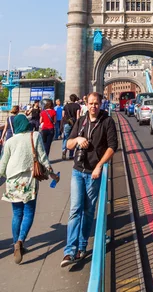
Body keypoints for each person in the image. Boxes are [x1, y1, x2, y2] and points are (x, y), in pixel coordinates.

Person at [61, 92, 118, 267]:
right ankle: (70, 250)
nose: (93, 106)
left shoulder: (107, 121)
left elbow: (112, 147)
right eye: (91, 103)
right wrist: (77, 138)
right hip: (78, 171)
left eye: (96, 103)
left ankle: (82, 246)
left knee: (87, 211)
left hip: (93, 172)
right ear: (86, 103)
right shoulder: (82, 121)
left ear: (101, 104)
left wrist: (100, 165)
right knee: (75, 209)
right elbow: (69, 143)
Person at [0, 114, 59, 264]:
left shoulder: (10, 141)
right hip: (29, 180)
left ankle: (15, 244)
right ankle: (20, 241)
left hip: (13, 181)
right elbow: (43, 158)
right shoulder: (35, 135)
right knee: (28, 212)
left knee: (17, 213)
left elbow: (2, 165)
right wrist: (52, 174)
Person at [62, 94, 81, 160]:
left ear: (70, 99)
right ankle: (71, 155)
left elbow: (63, 115)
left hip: (67, 123)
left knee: (65, 138)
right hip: (74, 124)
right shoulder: (77, 106)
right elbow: (78, 116)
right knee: (72, 139)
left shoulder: (66, 106)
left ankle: (64, 150)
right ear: (76, 99)